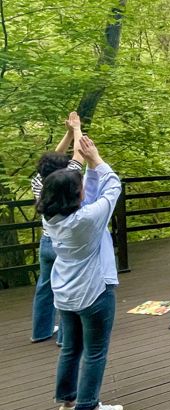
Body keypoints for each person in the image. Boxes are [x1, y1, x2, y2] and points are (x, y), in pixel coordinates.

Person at [39, 135, 123, 410]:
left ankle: (66, 403)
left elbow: (84, 193)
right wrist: (96, 159)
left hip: (64, 291)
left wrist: (85, 166)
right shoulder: (86, 220)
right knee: (95, 351)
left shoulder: (51, 217)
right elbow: (113, 187)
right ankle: (89, 409)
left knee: (72, 348)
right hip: (94, 291)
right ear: (75, 196)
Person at [31, 112, 84, 345]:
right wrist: (78, 129)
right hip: (65, 242)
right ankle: (65, 337)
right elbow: (79, 154)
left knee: (45, 285)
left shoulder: (38, 181)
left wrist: (68, 133)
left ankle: (40, 331)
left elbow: (52, 159)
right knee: (68, 287)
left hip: (45, 241)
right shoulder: (66, 181)